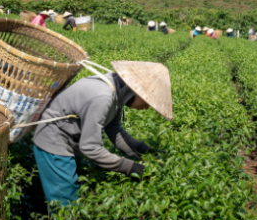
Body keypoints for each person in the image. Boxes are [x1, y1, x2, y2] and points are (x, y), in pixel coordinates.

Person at [32, 61, 172, 207]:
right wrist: (129, 167)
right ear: (137, 91)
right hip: (54, 143)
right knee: (66, 203)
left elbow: (114, 130)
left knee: (78, 191)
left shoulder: (118, 91)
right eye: (148, 101)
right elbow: (90, 147)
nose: (147, 107)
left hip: (73, 141)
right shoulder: (103, 97)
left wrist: (142, 150)